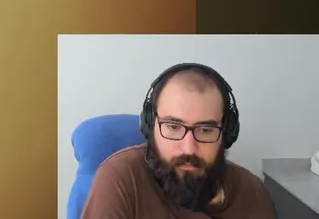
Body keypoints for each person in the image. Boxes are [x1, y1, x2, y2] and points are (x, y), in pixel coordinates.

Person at [80, 63, 276, 218]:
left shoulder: (253, 194)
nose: (188, 149)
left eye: (205, 130)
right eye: (173, 127)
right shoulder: (121, 178)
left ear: (227, 132)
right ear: (150, 125)